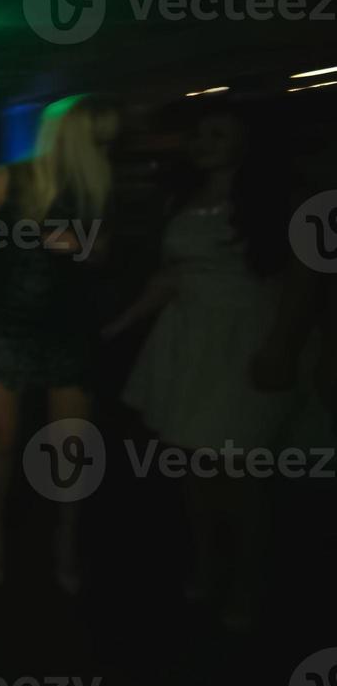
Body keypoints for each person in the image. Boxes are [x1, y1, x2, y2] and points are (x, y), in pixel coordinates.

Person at [107, 107, 309, 630]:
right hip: (186, 341)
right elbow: (169, 279)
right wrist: (117, 326)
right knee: (193, 468)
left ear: (247, 142)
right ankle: (207, 564)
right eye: (201, 133)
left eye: (219, 133)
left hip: (244, 340)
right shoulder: (182, 200)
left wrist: (282, 346)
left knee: (240, 475)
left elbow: (303, 280)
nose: (205, 141)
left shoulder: (280, 203)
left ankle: (248, 582)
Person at [0, 94, 116, 593]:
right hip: (9, 319)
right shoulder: (4, 178)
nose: (100, 144)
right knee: (3, 438)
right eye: (93, 135)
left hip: (68, 323)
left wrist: (80, 245)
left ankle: (66, 538)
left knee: (70, 444)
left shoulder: (97, 183)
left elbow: (105, 252)